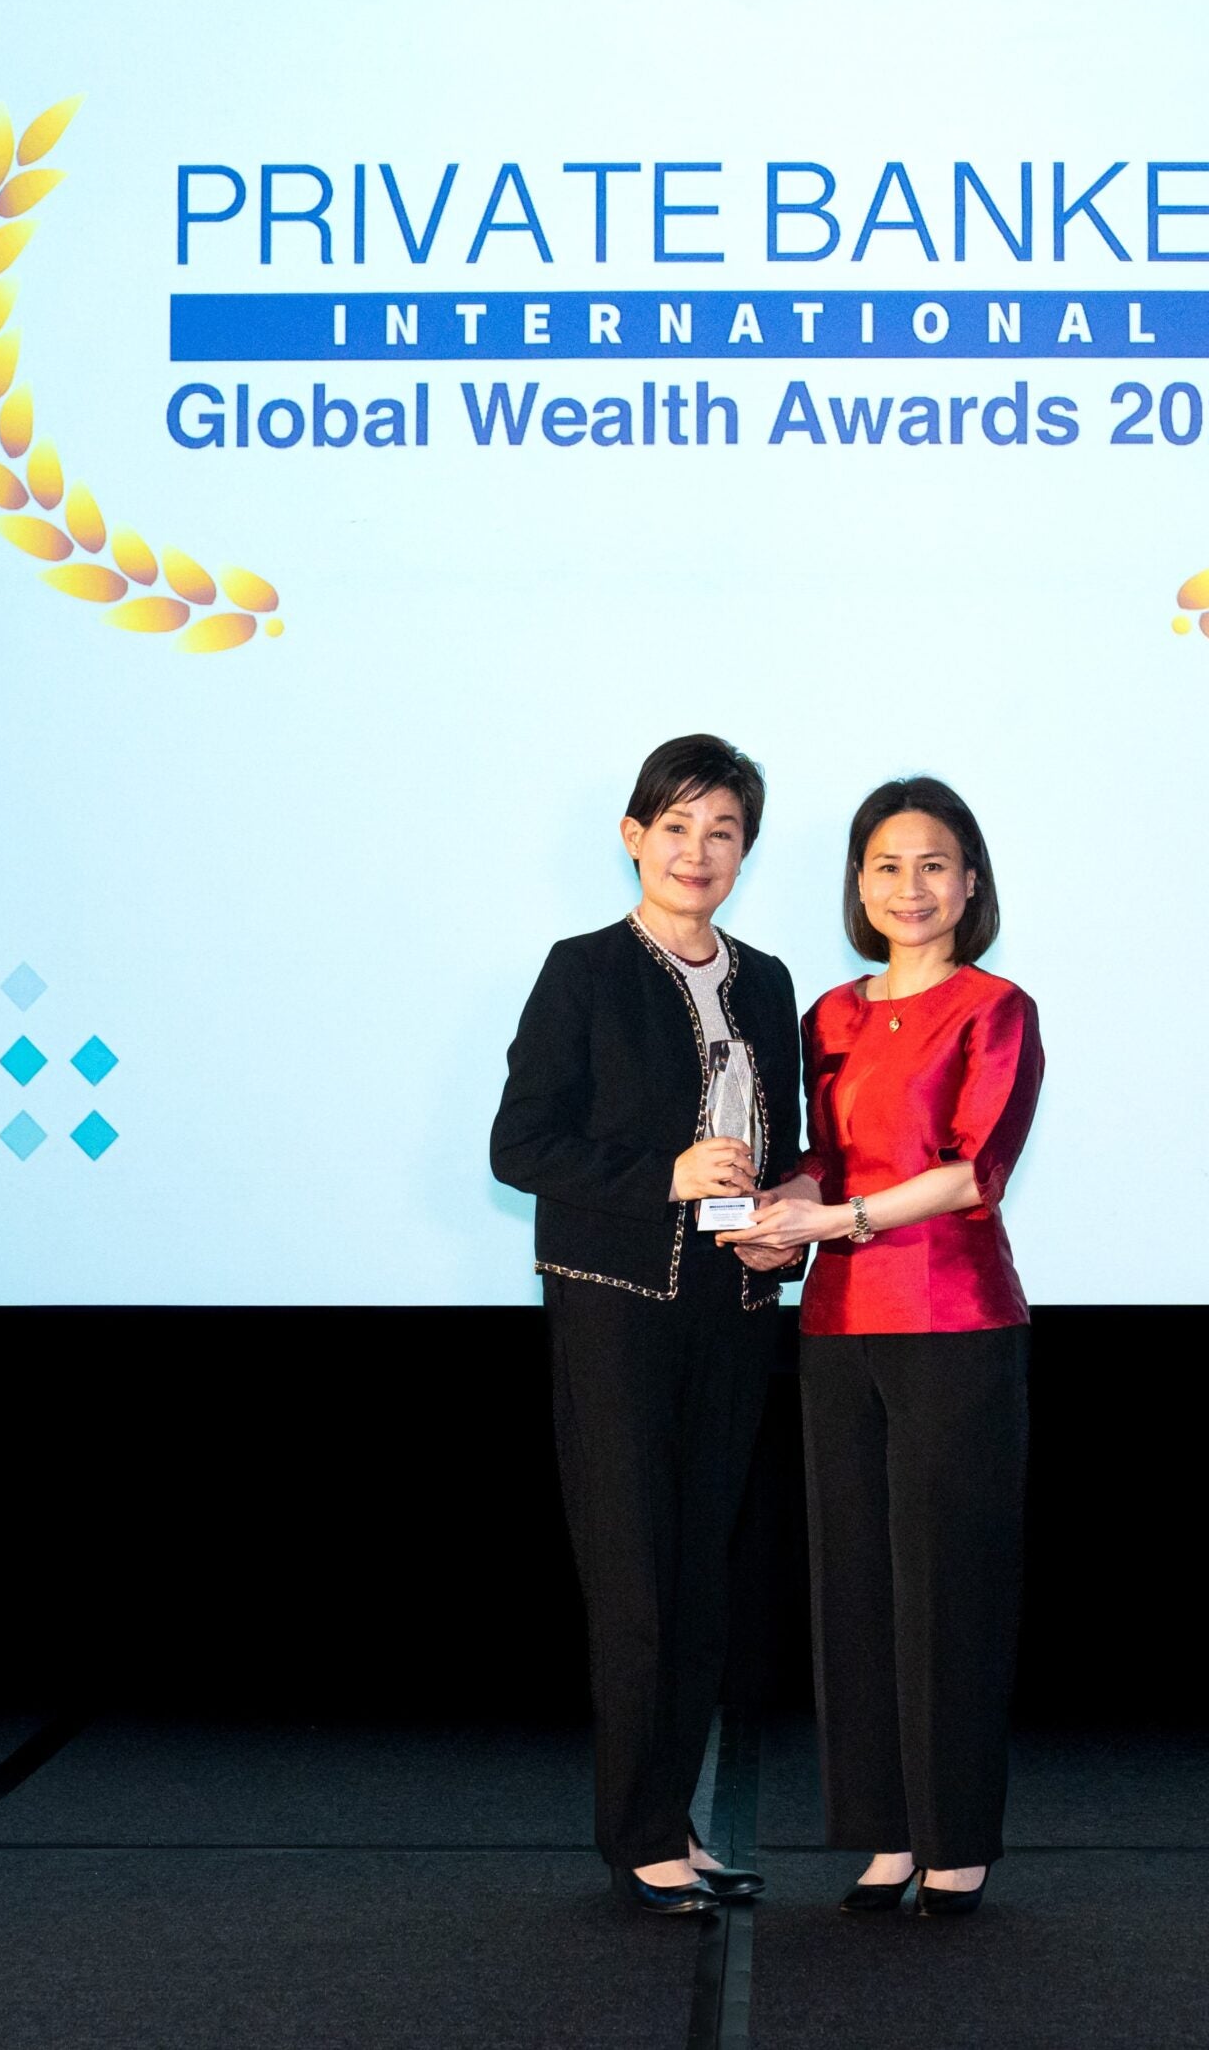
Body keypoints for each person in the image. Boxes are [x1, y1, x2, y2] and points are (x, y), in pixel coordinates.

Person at [489, 734, 805, 1915]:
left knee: (705, 1579)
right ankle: (636, 1835)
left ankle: (674, 1818)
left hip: (734, 1308)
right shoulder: (582, 970)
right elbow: (520, 1145)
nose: (697, 851)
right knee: (635, 1580)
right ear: (633, 837)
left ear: (745, 853)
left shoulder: (767, 980)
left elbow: (783, 1143)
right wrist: (662, 1176)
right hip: (615, 1308)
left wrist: (786, 1223)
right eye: (676, 827)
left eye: (722, 832)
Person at [726, 776, 1044, 1919]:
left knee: (949, 1584)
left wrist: (838, 1218)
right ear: (858, 884)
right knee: (853, 1585)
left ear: (970, 882)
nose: (910, 887)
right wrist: (776, 1211)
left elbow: (970, 1172)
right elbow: (826, 1158)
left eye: (932, 865)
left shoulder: (995, 1008)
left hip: (955, 1325)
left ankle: (955, 1838)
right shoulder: (830, 1015)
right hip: (837, 1327)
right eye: (886, 866)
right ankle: (885, 1834)